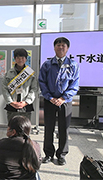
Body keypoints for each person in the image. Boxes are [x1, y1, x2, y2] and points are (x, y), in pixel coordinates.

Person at [39, 37, 80, 165]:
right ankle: (48, 154)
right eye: (58, 45)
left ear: (67, 48)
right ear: (54, 47)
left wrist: (63, 98)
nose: (60, 47)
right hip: (50, 100)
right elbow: (42, 82)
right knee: (48, 128)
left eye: (63, 45)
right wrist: (50, 97)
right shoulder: (47, 64)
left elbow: (75, 84)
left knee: (64, 128)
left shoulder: (73, 65)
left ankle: (61, 154)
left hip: (65, 102)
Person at [0, 115, 42, 180]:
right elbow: (37, 165)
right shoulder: (34, 145)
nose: (7, 129)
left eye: (8, 127)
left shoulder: (2, 143)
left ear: (13, 132)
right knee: (36, 173)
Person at [2, 48, 37, 122]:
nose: (20, 60)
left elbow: (34, 89)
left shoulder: (30, 73)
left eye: (22, 57)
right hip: (12, 106)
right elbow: (4, 88)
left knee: (24, 130)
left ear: (26, 59)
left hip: (25, 106)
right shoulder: (9, 73)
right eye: (18, 57)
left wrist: (26, 102)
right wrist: (11, 102)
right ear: (14, 58)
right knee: (12, 129)